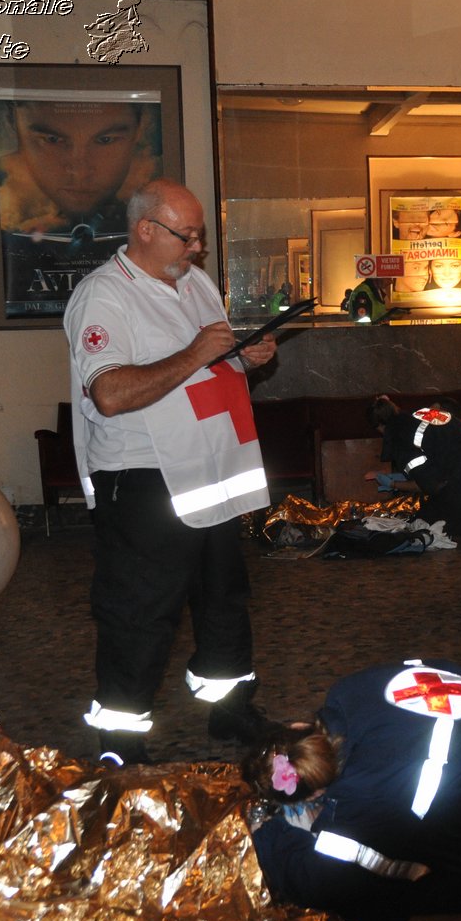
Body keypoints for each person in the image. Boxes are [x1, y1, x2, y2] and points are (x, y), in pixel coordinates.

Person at [64, 178, 278, 767]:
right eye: (189, 236)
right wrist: (200, 352)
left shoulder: (197, 283)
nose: (198, 248)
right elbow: (109, 392)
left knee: (223, 604)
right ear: (146, 231)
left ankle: (230, 709)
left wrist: (247, 356)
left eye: (201, 236)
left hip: (212, 472)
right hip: (144, 481)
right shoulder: (102, 296)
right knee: (139, 616)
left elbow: (212, 371)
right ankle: (121, 745)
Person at [242, 658, 461, 921]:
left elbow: (325, 882)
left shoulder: (368, 794)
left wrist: (268, 837)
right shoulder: (346, 693)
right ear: (295, 727)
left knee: (438, 874)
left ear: (314, 792)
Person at [0, 99, 156, 318]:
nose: (80, 171)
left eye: (105, 140)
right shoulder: (3, 231)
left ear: (141, 128)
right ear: (12, 124)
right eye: (52, 140)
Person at [369, 396, 461, 538]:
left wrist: (393, 483)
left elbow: (430, 485)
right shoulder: (424, 413)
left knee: (424, 525)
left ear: (379, 426)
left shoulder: (400, 441)